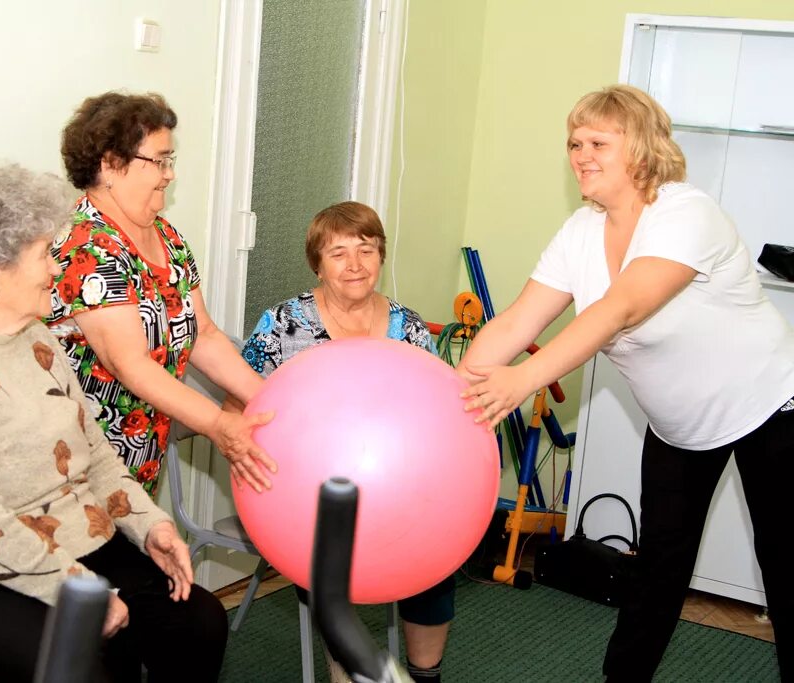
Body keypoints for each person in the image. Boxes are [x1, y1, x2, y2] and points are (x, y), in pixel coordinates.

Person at [457, 84, 794, 682]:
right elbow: (515, 322)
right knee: (657, 570)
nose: (581, 155)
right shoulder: (580, 232)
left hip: (770, 405)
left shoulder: (686, 213)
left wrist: (523, 380)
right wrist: (454, 394)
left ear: (640, 148)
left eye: (598, 143)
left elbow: (621, 309)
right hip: (681, 424)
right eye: (574, 143)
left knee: (786, 565)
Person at [0, 161, 227, 683]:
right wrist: (80, 589)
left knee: (197, 621)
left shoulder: (34, 336)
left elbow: (95, 453)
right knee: (80, 660)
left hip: (48, 527)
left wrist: (150, 526)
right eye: (44, 254)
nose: (56, 267)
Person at [237, 201, 453, 683]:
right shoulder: (282, 325)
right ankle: (347, 671)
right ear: (317, 264)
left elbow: (438, 415)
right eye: (338, 253)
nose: (355, 264)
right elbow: (237, 408)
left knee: (433, 559)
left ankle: (425, 676)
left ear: (381, 257)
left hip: (396, 486)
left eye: (366, 249)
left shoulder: (409, 328)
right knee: (329, 558)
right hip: (306, 495)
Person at [47, 91, 275, 497]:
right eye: (160, 160)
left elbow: (204, 335)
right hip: (74, 472)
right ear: (111, 164)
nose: (170, 174)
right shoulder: (87, 246)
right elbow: (129, 363)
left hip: (138, 466)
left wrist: (273, 402)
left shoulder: (167, 236)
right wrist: (217, 423)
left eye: (171, 161)